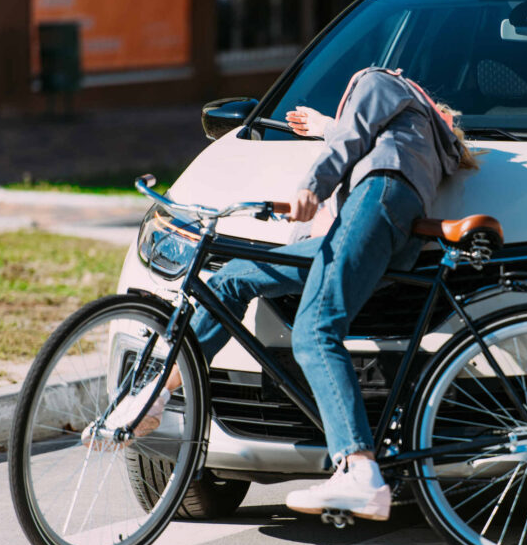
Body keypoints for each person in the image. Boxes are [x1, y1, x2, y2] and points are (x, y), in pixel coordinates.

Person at [177, 67, 475, 522]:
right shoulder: (426, 136)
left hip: (374, 203)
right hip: (385, 224)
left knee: (315, 330)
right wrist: (322, 125)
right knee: (232, 279)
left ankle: (360, 471)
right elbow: (355, 134)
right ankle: (160, 391)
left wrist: (310, 188)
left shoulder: (380, 79)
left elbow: (351, 140)